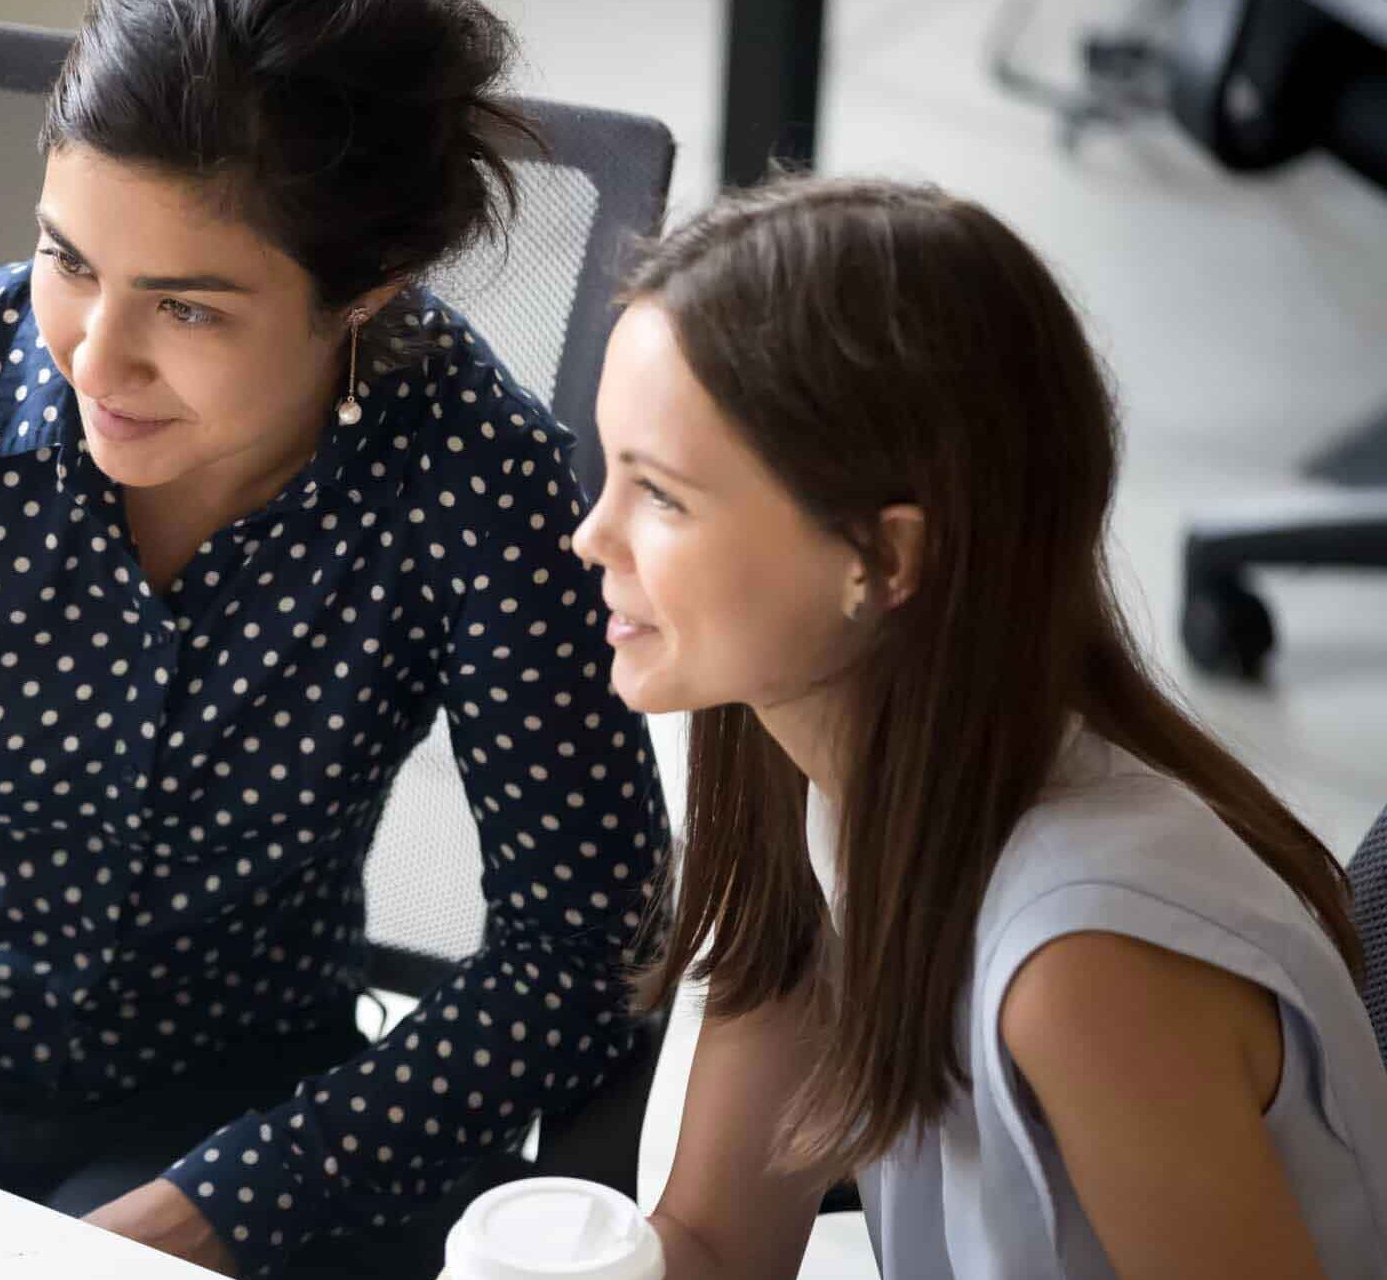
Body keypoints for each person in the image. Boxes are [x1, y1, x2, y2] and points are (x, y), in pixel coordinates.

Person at [0, 0, 670, 1275]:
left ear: (363, 294)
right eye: (68, 261)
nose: (94, 358)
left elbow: (581, 944)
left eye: (186, 309)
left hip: (233, 1103)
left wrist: (228, 1199)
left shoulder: (477, 485)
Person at [571, 176, 1387, 1279]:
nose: (590, 534)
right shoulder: (807, 768)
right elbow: (716, 1243)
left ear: (885, 558)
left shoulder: (1086, 968)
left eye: (659, 494)